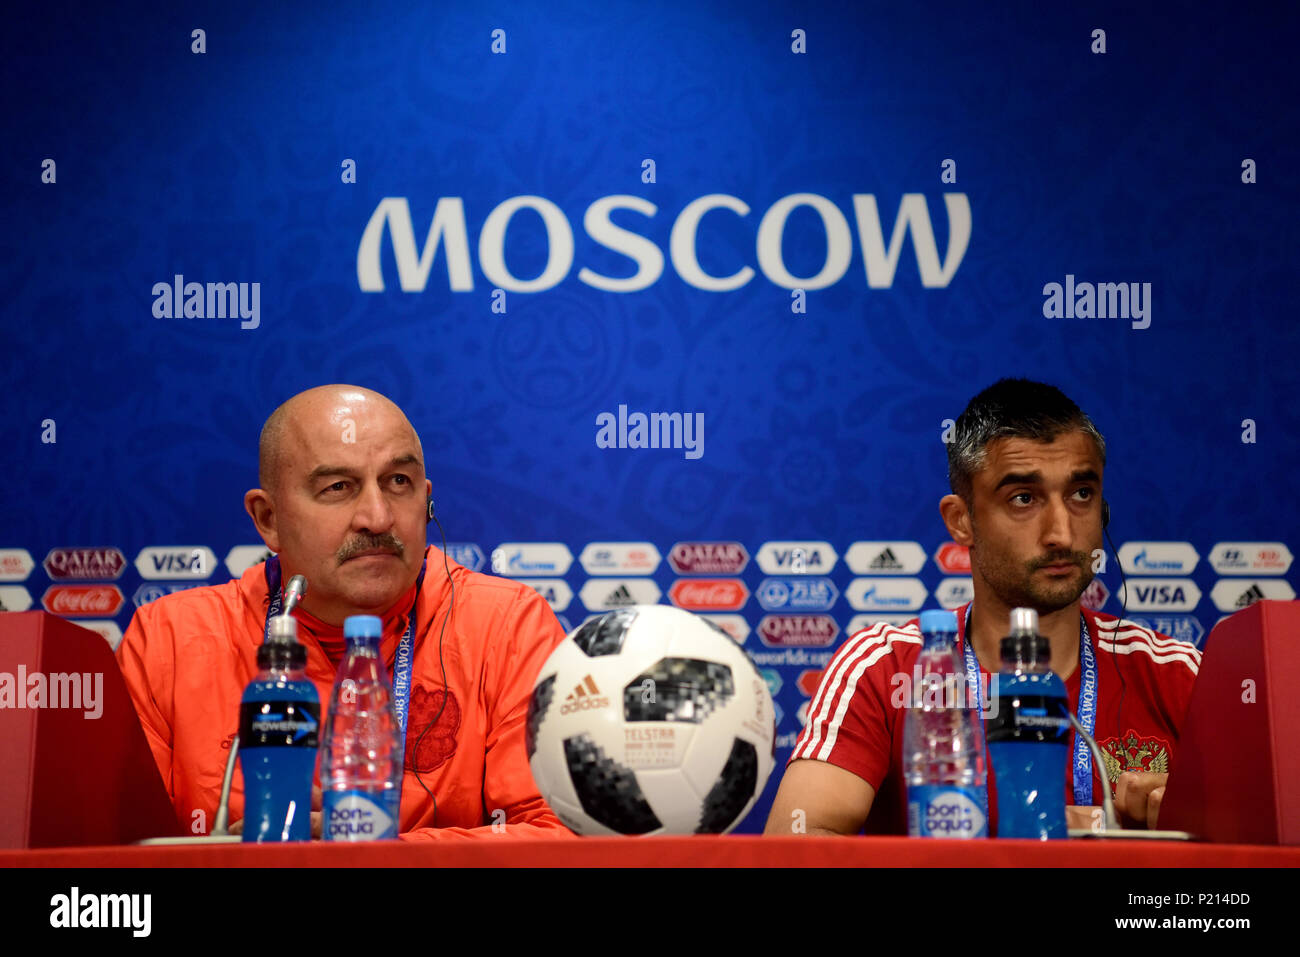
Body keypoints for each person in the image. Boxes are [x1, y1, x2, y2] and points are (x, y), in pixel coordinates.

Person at [116, 384, 575, 840]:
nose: (377, 518)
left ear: (427, 499)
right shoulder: (170, 641)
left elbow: (559, 835)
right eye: (338, 487)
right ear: (267, 519)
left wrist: (377, 856)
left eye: (399, 482)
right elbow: (112, 847)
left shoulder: (508, 626)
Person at [765, 378, 1201, 837]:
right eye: (1024, 499)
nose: (1062, 534)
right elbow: (794, 847)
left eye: (1080, 494)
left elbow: (1269, 841)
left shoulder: (1177, 674)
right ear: (961, 520)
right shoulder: (885, 666)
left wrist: (1189, 820)